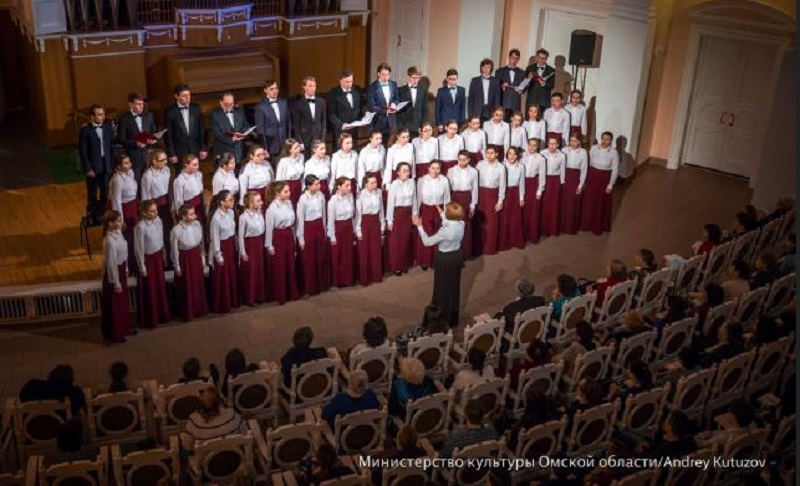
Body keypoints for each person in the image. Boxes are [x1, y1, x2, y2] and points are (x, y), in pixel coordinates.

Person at [414, 202, 466, 327]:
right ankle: (452, 319)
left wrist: (419, 226)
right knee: (453, 288)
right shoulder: (461, 224)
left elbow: (427, 242)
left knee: (441, 289)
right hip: (456, 257)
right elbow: (450, 221)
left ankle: (439, 320)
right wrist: (442, 213)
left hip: (444, 260)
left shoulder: (445, 231)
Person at [134, 200, 170, 328]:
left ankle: (162, 315)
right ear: (144, 213)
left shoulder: (158, 221)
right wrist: (142, 266)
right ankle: (151, 318)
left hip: (157, 258)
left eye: (156, 210)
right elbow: (138, 248)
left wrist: (164, 253)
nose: (155, 213)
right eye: (152, 211)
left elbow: (161, 239)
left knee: (160, 286)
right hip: (148, 260)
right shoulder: (140, 227)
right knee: (151, 289)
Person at [171, 204, 208, 321]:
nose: (195, 216)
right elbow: (174, 250)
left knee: (198, 283)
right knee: (187, 285)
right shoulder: (176, 230)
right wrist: (177, 266)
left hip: (195, 256)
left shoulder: (197, 224)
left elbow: (201, 244)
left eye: (194, 213)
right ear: (183, 216)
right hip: (185, 259)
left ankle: (199, 309)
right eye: (191, 214)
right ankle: (188, 311)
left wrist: (202, 258)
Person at [101, 210, 133, 343]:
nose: (122, 223)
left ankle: (124, 328)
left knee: (122, 302)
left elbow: (124, 251)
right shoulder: (109, 241)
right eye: (119, 221)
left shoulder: (118, 234)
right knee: (115, 304)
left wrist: (125, 267)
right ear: (110, 224)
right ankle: (116, 333)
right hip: (114, 274)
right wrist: (116, 282)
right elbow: (111, 263)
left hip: (121, 270)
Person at [79, 104, 114, 226]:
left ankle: (103, 215)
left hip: (106, 166)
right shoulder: (85, 131)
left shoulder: (107, 127)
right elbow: (83, 152)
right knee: (92, 194)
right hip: (93, 168)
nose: (103, 117)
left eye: (103, 114)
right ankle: (92, 217)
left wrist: (112, 165)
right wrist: (88, 168)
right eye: (99, 115)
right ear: (92, 117)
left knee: (105, 192)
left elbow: (111, 147)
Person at [264, 181, 299, 304]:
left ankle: (291, 292)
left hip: (288, 235)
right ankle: (280, 294)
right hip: (278, 238)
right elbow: (269, 229)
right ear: (277, 193)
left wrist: (294, 238)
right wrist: (269, 245)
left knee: (290, 264)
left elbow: (293, 224)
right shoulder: (271, 209)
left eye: (289, 190)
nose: (289, 193)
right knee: (280, 266)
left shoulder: (289, 204)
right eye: (286, 191)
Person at [181, 385, 245, 451]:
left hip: (204, 459)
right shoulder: (232, 415)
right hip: (234, 458)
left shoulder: (194, 421)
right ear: (219, 402)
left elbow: (187, 446)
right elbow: (244, 434)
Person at [580, 131, 619, 235]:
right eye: (603, 138)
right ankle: (586, 224)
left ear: (611, 141)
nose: (605, 141)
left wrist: (610, 184)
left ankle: (598, 226)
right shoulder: (594, 148)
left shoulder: (614, 153)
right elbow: (588, 163)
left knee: (601, 202)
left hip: (604, 178)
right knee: (589, 201)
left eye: (607, 139)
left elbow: (615, 169)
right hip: (592, 176)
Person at [297, 175, 330, 296]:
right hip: (308, 228)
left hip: (318, 227)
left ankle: (321, 284)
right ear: (309, 186)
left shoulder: (321, 195)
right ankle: (310, 287)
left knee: (320, 257)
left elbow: (324, 214)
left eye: (319, 183)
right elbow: (300, 219)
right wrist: (301, 237)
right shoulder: (303, 199)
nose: (319, 186)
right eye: (316, 184)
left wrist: (324, 230)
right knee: (309, 259)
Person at [415, 161, 451, 268]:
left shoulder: (444, 180)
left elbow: (447, 198)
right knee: (426, 233)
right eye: (433, 168)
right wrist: (417, 214)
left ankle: (438, 260)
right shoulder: (422, 180)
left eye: (438, 168)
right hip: (426, 209)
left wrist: (446, 214)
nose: (435, 171)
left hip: (439, 210)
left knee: (439, 235)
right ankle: (425, 260)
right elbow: (418, 199)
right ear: (428, 168)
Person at [208, 190, 239, 313]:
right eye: (230, 200)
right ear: (221, 202)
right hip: (221, 248)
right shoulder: (216, 218)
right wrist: (218, 256)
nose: (233, 202)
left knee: (230, 273)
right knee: (223, 277)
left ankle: (232, 301)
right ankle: (222, 304)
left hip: (230, 245)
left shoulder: (231, 213)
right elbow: (214, 238)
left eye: (233, 199)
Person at [116, 92, 157, 183]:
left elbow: (153, 131)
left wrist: (153, 139)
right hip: (134, 156)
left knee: (149, 182)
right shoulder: (124, 119)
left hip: (148, 155)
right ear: (130, 104)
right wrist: (135, 143)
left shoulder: (149, 115)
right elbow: (121, 139)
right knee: (136, 182)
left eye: (142, 104)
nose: (141, 106)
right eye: (138, 104)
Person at [109, 153, 139, 271]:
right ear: (118, 166)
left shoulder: (130, 173)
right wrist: (120, 220)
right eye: (126, 163)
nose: (130, 164)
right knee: (126, 238)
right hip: (124, 209)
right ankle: (125, 266)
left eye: (129, 162)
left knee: (134, 237)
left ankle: (133, 263)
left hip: (132, 207)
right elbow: (116, 200)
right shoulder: (117, 180)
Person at [164, 83, 206, 164]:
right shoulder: (170, 111)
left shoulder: (196, 108)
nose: (187, 98)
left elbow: (202, 130)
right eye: (184, 96)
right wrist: (171, 153)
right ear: (176, 96)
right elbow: (168, 135)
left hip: (195, 150)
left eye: (189, 95)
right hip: (179, 152)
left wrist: (203, 148)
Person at [19, 365, 87, 416]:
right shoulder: (75, 394)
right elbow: (80, 407)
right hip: (61, 430)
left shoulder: (32, 386)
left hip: (33, 428)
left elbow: (21, 397)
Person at [475, 146, 506, 256]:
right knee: (480, 222)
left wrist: (500, 201)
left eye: (492, 153)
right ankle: (479, 247)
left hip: (492, 196)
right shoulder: (480, 164)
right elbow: (475, 182)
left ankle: (490, 248)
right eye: (487, 153)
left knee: (491, 223)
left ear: (496, 154)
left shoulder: (501, 167)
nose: (489, 155)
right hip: (481, 195)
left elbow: (502, 186)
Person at [386, 163, 416, 276]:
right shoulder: (394, 184)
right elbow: (390, 203)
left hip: (408, 214)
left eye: (408, 170)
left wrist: (414, 214)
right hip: (397, 215)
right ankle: (396, 266)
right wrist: (389, 219)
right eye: (403, 171)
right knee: (396, 242)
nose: (406, 173)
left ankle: (404, 265)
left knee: (406, 241)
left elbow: (414, 199)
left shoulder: (412, 182)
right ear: (398, 172)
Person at [141, 149, 172, 258]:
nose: (165, 162)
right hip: (155, 207)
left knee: (168, 232)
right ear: (154, 161)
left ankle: (169, 257)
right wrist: (150, 212)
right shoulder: (147, 176)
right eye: (162, 160)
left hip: (166, 205)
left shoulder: (167, 170)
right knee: (158, 234)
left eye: (166, 159)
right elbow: (146, 196)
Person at [447, 150, 478, 259]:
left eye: (464, 160)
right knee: (454, 226)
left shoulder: (474, 172)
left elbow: (475, 190)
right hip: (455, 198)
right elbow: (448, 189)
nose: (461, 162)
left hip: (466, 198)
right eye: (459, 159)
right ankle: (454, 253)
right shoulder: (451, 170)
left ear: (468, 160)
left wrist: (472, 205)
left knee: (466, 226)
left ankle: (466, 253)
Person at [238, 191, 267, 306]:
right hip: (249, 245)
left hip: (259, 243)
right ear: (250, 203)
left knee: (259, 270)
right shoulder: (243, 217)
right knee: (251, 272)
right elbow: (240, 236)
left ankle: (260, 296)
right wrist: (243, 252)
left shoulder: (260, 213)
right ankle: (250, 298)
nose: (262, 202)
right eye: (258, 201)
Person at [355, 174, 385, 286]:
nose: (374, 185)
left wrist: (382, 225)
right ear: (366, 184)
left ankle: (376, 276)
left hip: (375, 222)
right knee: (364, 251)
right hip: (364, 223)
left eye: (376, 182)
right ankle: (365, 278)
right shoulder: (360, 195)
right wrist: (358, 230)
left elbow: (381, 209)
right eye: (372, 183)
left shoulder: (379, 193)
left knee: (375, 249)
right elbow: (358, 214)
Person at [327, 177, 357, 287]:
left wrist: (354, 230)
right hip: (338, 229)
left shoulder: (350, 197)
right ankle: (339, 280)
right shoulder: (333, 201)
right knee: (338, 254)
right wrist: (332, 236)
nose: (350, 188)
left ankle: (348, 279)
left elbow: (353, 215)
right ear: (339, 186)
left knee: (348, 253)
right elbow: (330, 220)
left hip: (348, 227)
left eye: (350, 185)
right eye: (347, 185)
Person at [255, 79, 291, 161]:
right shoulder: (261, 107)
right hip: (270, 146)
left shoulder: (284, 102)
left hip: (284, 144)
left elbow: (288, 123)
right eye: (271, 89)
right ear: (265, 90)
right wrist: (265, 149)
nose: (275, 91)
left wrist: (288, 141)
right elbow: (260, 130)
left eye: (276, 88)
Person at [210, 91, 252, 163]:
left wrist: (241, 134)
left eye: (231, 104)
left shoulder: (240, 111)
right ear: (221, 103)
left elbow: (246, 125)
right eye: (227, 104)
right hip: (224, 151)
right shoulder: (215, 114)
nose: (229, 106)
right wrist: (231, 139)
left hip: (239, 151)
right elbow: (216, 133)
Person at [292, 76, 327, 160]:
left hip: (318, 138)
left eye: (314, 86)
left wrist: (322, 139)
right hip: (305, 139)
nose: (313, 88)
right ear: (304, 87)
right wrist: (300, 142)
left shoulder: (321, 102)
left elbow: (324, 122)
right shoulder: (298, 103)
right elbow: (296, 125)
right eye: (310, 86)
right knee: (306, 162)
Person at [498, 147, 525, 251]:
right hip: (505, 193)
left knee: (515, 218)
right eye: (510, 154)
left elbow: (522, 183)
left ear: (517, 155)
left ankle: (515, 240)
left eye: (514, 154)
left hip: (515, 194)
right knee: (504, 218)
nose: (512, 156)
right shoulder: (502, 166)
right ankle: (504, 242)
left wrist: (521, 197)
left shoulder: (521, 167)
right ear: (506, 154)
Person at [327, 68, 363, 142]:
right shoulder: (333, 93)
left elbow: (358, 108)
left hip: (354, 129)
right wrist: (342, 125)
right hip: (340, 131)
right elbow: (331, 114)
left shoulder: (357, 91)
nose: (349, 84)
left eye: (351, 81)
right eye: (346, 81)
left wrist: (360, 119)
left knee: (353, 150)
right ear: (340, 81)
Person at [561, 134, 588, 235]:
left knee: (572, 204)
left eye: (575, 141)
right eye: (571, 140)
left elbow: (584, 169)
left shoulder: (583, 152)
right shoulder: (564, 150)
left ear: (579, 142)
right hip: (565, 177)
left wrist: (581, 184)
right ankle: (562, 226)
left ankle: (571, 227)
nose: (573, 143)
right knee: (563, 202)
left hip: (575, 178)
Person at [539, 135, 566, 237]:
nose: (551, 146)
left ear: (558, 145)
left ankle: (552, 228)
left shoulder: (562, 155)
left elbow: (562, 170)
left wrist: (562, 183)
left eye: (554, 144)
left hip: (555, 181)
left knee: (553, 205)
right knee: (544, 205)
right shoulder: (542, 153)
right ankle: (543, 228)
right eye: (550, 143)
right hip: (544, 179)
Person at [172, 154, 207, 228]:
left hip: (199, 205)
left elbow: (200, 190)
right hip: (188, 208)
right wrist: (181, 215)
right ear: (186, 165)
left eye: (198, 164)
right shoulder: (179, 180)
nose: (197, 166)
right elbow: (178, 200)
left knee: (200, 226)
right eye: (194, 165)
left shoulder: (198, 174)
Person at [367, 62, 399, 143]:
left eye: (388, 75)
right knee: (377, 146)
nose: (386, 77)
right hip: (378, 121)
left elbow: (396, 98)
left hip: (390, 121)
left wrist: (394, 104)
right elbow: (371, 106)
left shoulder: (393, 84)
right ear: (378, 74)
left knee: (388, 146)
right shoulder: (372, 87)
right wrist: (385, 111)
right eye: (383, 75)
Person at [522, 137, 545, 244]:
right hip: (522, 183)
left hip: (532, 185)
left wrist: (540, 190)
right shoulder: (522, 155)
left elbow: (542, 176)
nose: (531, 147)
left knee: (532, 211)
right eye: (530, 144)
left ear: (538, 147)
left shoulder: (541, 159)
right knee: (522, 210)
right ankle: (521, 235)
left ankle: (531, 235)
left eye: (534, 145)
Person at [238, 144, 274, 211]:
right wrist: (244, 205)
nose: (262, 157)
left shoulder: (266, 164)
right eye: (258, 155)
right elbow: (243, 190)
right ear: (251, 156)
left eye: (263, 154)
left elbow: (272, 178)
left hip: (267, 195)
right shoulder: (246, 169)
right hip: (254, 198)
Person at [398, 66, 429, 138]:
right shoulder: (400, 90)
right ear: (408, 77)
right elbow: (398, 111)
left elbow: (424, 109)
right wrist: (400, 126)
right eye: (413, 78)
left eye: (418, 78)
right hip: (405, 126)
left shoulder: (423, 91)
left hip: (418, 126)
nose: (416, 80)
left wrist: (423, 126)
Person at [468, 58, 502, 123]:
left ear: (491, 69)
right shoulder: (474, 81)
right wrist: (470, 115)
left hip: (490, 110)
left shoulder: (496, 81)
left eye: (488, 67)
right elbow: (471, 99)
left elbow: (497, 98)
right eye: (484, 67)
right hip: (477, 110)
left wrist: (496, 112)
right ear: (481, 68)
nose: (486, 69)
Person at [496, 48, 526, 121]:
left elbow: (525, 87)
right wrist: (502, 85)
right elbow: (495, 86)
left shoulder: (522, 73)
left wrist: (521, 90)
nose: (514, 60)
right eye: (513, 57)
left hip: (516, 104)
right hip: (503, 103)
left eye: (517, 58)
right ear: (509, 57)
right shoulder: (500, 71)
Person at [275, 139, 305, 208]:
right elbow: (279, 179)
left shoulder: (301, 157)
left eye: (298, 146)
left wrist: (303, 186)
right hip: (288, 187)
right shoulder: (283, 161)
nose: (298, 149)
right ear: (290, 150)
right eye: (295, 148)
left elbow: (302, 174)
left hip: (298, 185)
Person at [435, 68, 466, 133]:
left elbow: (463, 106)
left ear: (457, 79)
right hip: (444, 123)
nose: (452, 81)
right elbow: (437, 109)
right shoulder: (441, 91)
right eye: (450, 79)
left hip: (457, 122)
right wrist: (439, 123)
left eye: (454, 79)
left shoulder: (462, 90)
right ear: (447, 79)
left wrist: (461, 121)